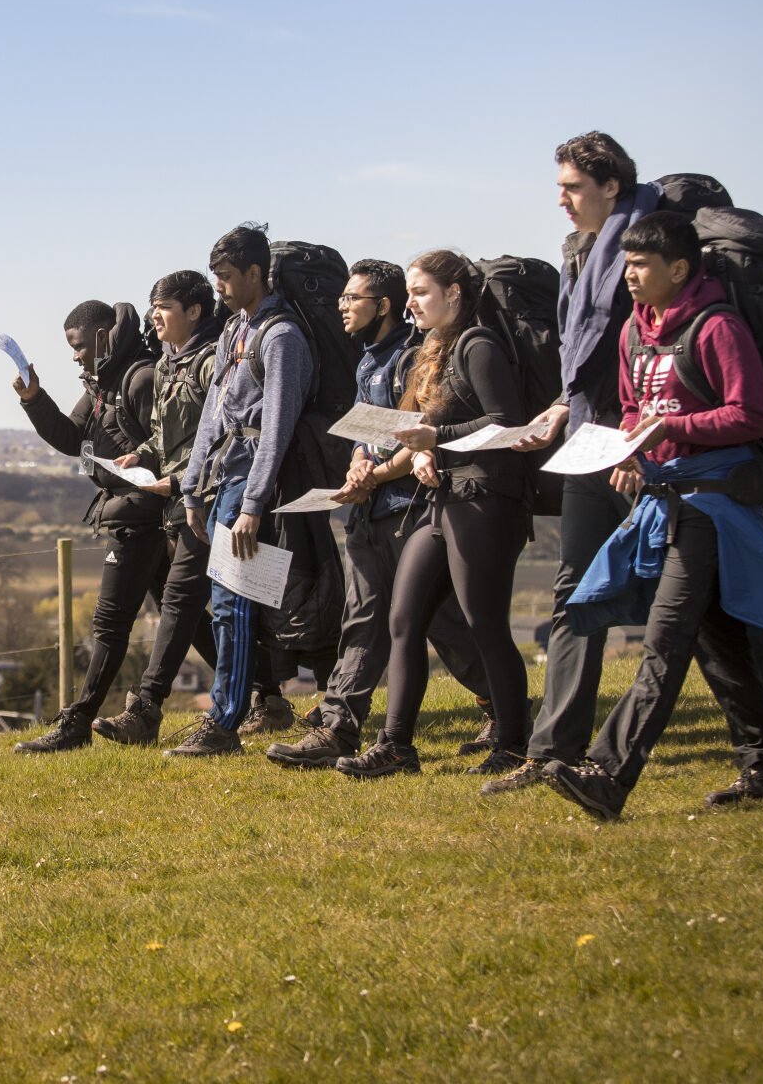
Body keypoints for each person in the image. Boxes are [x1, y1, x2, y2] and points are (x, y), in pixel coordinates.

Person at [483, 131, 763, 794]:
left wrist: (650, 432)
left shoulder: (657, 252)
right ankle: (554, 750)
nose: (561, 200)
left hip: (663, 460)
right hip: (602, 443)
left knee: (694, 611)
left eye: (573, 187)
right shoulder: (584, 253)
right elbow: (595, 358)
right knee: (579, 592)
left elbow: (690, 374)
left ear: (613, 186)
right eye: (558, 187)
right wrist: (561, 408)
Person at [542, 212, 763, 819]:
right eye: (626, 264)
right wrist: (632, 451)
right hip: (665, 502)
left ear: (679, 269)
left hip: (714, 508)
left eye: (640, 265)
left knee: (665, 641)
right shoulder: (636, 331)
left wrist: (673, 428)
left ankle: (608, 775)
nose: (628, 276)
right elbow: (635, 411)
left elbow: (753, 416)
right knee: (720, 641)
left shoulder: (719, 328)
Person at [266, 259, 496, 768]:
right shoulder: (366, 361)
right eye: (342, 298)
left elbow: (419, 436)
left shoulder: (415, 356)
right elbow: (365, 435)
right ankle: (339, 725)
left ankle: (500, 706)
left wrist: (373, 475)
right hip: (371, 510)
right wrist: (355, 468)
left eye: (354, 299)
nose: (343, 307)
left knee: (435, 621)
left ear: (384, 306)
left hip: (409, 509)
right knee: (367, 617)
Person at [334, 250, 530, 778]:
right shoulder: (431, 350)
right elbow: (413, 423)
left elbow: (507, 424)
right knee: (404, 618)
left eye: (422, 292)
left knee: (485, 624)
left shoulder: (479, 345)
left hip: (487, 501)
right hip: (444, 502)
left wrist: (435, 440)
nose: (412, 302)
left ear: (455, 294)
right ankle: (397, 747)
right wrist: (421, 450)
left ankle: (514, 743)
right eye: (412, 293)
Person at [171, 224, 313, 757]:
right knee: (235, 602)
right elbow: (214, 409)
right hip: (221, 480)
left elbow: (276, 425)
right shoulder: (235, 331)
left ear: (256, 273)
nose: (220, 289)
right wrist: (191, 486)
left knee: (233, 603)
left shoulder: (281, 337)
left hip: (252, 480)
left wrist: (252, 504)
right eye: (216, 278)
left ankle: (225, 722)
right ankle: (262, 705)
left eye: (227, 278)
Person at [13, 300, 167, 753]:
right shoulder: (103, 382)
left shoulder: (139, 377)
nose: (75, 356)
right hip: (134, 513)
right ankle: (263, 697)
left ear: (103, 336)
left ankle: (77, 722)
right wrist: (34, 399)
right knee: (189, 621)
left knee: (109, 622)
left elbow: (166, 446)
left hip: (143, 515)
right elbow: (71, 436)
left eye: (79, 346)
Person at [91, 270, 223, 745]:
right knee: (193, 606)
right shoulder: (168, 364)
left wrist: (180, 482)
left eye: (164, 307)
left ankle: (145, 710)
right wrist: (141, 457)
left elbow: (228, 440)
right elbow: (166, 437)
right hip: (177, 507)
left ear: (194, 311)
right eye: (153, 307)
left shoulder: (214, 363)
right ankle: (264, 693)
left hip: (210, 503)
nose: (155, 317)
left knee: (184, 602)